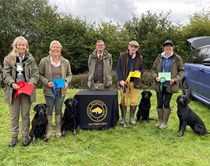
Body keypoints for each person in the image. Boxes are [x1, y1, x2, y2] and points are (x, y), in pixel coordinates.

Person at [3, 36, 39, 147]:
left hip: (27, 92)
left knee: (26, 115)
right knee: (14, 116)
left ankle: (25, 137)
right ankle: (14, 138)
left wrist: (29, 84)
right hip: (13, 92)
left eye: (23, 45)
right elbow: (5, 74)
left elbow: (35, 75)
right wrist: (12, 83)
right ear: (15, 45)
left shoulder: (31, 59)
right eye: (19, 45)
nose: (21, 47)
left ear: (26, 47)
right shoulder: (8, 58)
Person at [39, 40, 72, 139]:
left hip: (61, 91)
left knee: (59, 110)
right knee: (49, 110)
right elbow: (40, 75)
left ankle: (58, 129)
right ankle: (48, 130)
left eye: (57, 47)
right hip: (49, 91)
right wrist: (47, 82)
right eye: (53, 47)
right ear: (50, 49)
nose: (55, 49)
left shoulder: (65, 62)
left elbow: (70, 74)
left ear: (60, 49)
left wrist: (66, 81)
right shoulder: (44, 61)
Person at [152, 40, 184, 129]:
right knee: (159, 103)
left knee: (166, 103)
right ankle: (160, 120)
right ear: (164, 48)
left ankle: (165, 122)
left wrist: (175, 79)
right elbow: (153, 69)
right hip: (159, 84)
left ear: (173, 47)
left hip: (170, 84)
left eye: (170, 46)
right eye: (166, 46)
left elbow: (181, 71)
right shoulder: (159, 57)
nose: (168, 48)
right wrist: (155, 77)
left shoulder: (177, 58)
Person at [116, 41, 144, 127]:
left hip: (134, 83)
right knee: (124, 101)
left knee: (134, 101)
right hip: (124, 82)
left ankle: (131, 118)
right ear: (128, 47)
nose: (133, 48)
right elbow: (118, 69)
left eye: (135, 47)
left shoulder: (139, 57)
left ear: (137, 49)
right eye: (132, 46)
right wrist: (121, 80)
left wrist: (139, 71)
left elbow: (142, 70)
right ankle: (123, 118)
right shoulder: (122, 56)